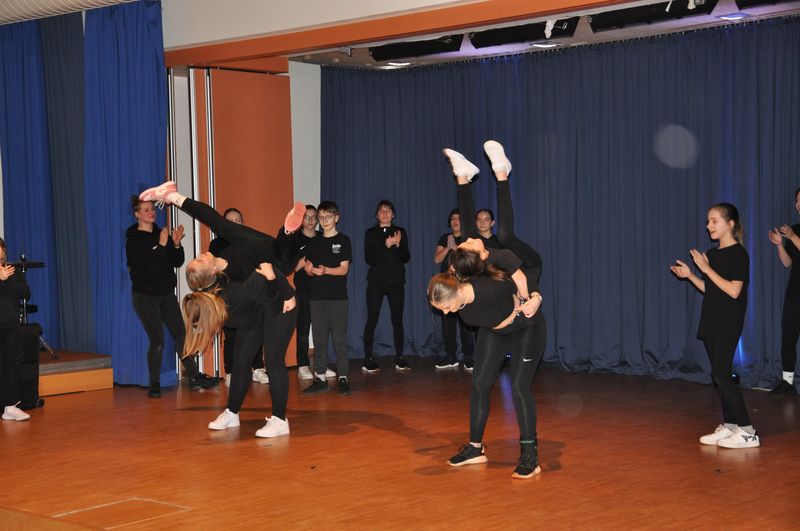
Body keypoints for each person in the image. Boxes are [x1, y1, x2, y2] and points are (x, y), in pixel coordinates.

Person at [139, 181, 302, 438]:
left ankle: (280, 420)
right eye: (200, 260)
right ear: (212, 272)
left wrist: (175, 199)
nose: (202, 254)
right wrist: (288, 293)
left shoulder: (227, 257)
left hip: (275, 291)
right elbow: (269, 278)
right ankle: (232, 413)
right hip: (276, 300)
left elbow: (211, 218)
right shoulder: (230, 289)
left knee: (272, 359)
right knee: (242, 361)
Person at [429, 141, 546, 480]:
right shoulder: (466, 274)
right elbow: (466, 253)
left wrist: (533, 298)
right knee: (480, 383)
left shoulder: (494, 265)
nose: (445, 314)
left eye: (445, 308)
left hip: (526, 321)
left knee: (520, 386)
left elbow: (523, 277)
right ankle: (475, 447)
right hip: (497, 326)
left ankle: (529, 453)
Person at [671, 203, 760, 448]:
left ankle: (748, 432)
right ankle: (730, 426)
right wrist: (691, 275)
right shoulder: (713, 254)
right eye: (708, 221)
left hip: (728, 321)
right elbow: (710, 288)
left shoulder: (739, 254)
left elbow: (734, 290)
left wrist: (706, 269)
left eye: (714, 221)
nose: (709, 225)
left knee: (721, 374)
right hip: (711, 319)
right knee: (719, 375)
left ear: (730, 224)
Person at [125, 196, 215, 398]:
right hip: (145, 297)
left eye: (152, 209)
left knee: (181, 335)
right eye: (146, 210)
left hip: (166, 294)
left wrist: (175, 245)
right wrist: (160, 245)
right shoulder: (134, 240)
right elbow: (144, 270)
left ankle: (193, 377)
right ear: (137, 214)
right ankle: (154, 384)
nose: (151, 213)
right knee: (157, 340)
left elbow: (176, 261)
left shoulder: (160, 234)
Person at [209, 207, 269, 387]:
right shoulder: (217, 245)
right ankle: (231, 371)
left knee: (256, 329)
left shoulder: (251, 241)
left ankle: (257, 368)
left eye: (238, 221)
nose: (235, 224)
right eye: (230, 221)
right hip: (229, 294)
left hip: (252, 292)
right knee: (232, 334)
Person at [301, 201, 354, 396]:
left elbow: (344, 269)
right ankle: (321, 378)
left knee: (339, 339)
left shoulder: (344, 240)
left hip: (337, 298)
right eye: (321, 217)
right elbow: (309, 269)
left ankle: (343, 378)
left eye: (328, 217)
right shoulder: (314, 242)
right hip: (316, 298)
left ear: (336, 218)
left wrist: (326, 271)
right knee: (320, 339)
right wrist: (309, 270)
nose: (324, 220)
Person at [362, 200, 411, 373]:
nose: (384, 213)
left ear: (393, 214)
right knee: (372, 319)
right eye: (381, 211)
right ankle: (368, 359)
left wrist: (398, 246)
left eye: (388, 210)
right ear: (377, 215)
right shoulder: (371, 233)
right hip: (376, 282)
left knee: (397, 320)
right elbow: (369, 259)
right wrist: (385, 246)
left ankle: (400, 357)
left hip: (396, 282)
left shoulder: (400, 232)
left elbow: (406, 257)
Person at [767, 187, 800, 395]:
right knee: (788, 337)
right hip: (795, 293)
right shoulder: (795, 229)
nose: (798, 204)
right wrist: (780, 244)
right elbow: (788, 262)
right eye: (797, 201)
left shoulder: (794, 233)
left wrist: (793, 236)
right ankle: (787, 382)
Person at [433, 209, 475, 370]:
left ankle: (469, 356)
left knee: (466, 322)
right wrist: (448, 247)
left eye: (458, 218)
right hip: (447, 286)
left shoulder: (469, 238)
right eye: (452, 219)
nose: (455, 221)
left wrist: (455, 247)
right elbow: (437, 259)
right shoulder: (445, 237)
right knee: (448, 323)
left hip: (464, 285)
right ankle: (450, 356)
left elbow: (469, 260)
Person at [0, 238, 31, 421]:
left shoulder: (13, 270)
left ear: (4, 250)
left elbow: (26, 293)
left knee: (11, 365)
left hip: (10, 325)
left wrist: (7, 280)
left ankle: (10, 407)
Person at [294, 205, 321, 380]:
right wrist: (306, 260)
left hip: (321, 287)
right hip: (303, 287)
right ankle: (302, 365)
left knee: (321, 327)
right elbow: (294, 267)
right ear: (301, 220)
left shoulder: (322, 237)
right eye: (307, 217)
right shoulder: (296, 239)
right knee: (303, 327)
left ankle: (321, 365)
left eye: (313, 217)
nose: (311, 220)